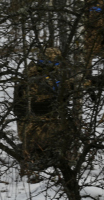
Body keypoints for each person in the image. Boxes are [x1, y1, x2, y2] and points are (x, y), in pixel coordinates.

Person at [12, 47, 79, 175]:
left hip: (39, 123)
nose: (58, 67)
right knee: (67, 129)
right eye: (55, 63)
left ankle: (40, 152)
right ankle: (39, 154)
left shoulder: (41, 75)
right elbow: (56, 88)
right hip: (31, 128)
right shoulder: (33, 79)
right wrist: (84, 83)